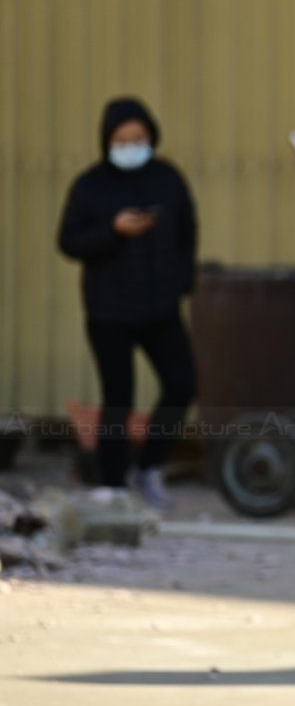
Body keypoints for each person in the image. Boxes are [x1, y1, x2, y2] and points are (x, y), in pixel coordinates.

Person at [58, 96, 198, 510]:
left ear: (151, 136)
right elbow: (69, 241)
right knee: (118, 395)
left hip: (160, 308)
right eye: (122, 140)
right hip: (109, 311)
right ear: (107, 141)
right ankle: (112, 483)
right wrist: (113, 230)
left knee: (182, 384)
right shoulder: (90, 186)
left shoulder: (167, 179)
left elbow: (187, 231)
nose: (131, 146)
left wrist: (181, 283)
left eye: (138, 138)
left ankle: (150, 466)